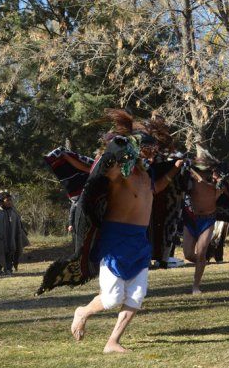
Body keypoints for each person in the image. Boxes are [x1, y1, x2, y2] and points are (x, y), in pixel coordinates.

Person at [69, 109, 182, 354]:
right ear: (135, 148)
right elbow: (102, 170)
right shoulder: (121, 173)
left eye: (153, 149)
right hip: (115, 239)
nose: (152, 153)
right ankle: (83, 311)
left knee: (136, 297)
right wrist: (120, 149)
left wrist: (174, 170)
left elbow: (156, 189)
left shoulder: (146, 177)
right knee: (111, 299)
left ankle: (112, 341)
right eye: (148, 148)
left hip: (139, 241)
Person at [183, 153, 224, 295]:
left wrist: (214, 181)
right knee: (188, 254)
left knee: (201, 253)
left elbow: (222, 190)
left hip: (208, 219)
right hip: (191, 218)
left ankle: (196, 285)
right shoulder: (189, 179)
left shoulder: (215, 180)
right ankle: (202, 262)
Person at [0, 191, 29, 274]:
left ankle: (8, 269)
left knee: (10, 255)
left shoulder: (14, 212)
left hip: (11, 240)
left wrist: (21, 234)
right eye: (7, 200)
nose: (10, 202)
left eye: (10, 200)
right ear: (1, 202)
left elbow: (18, 226)